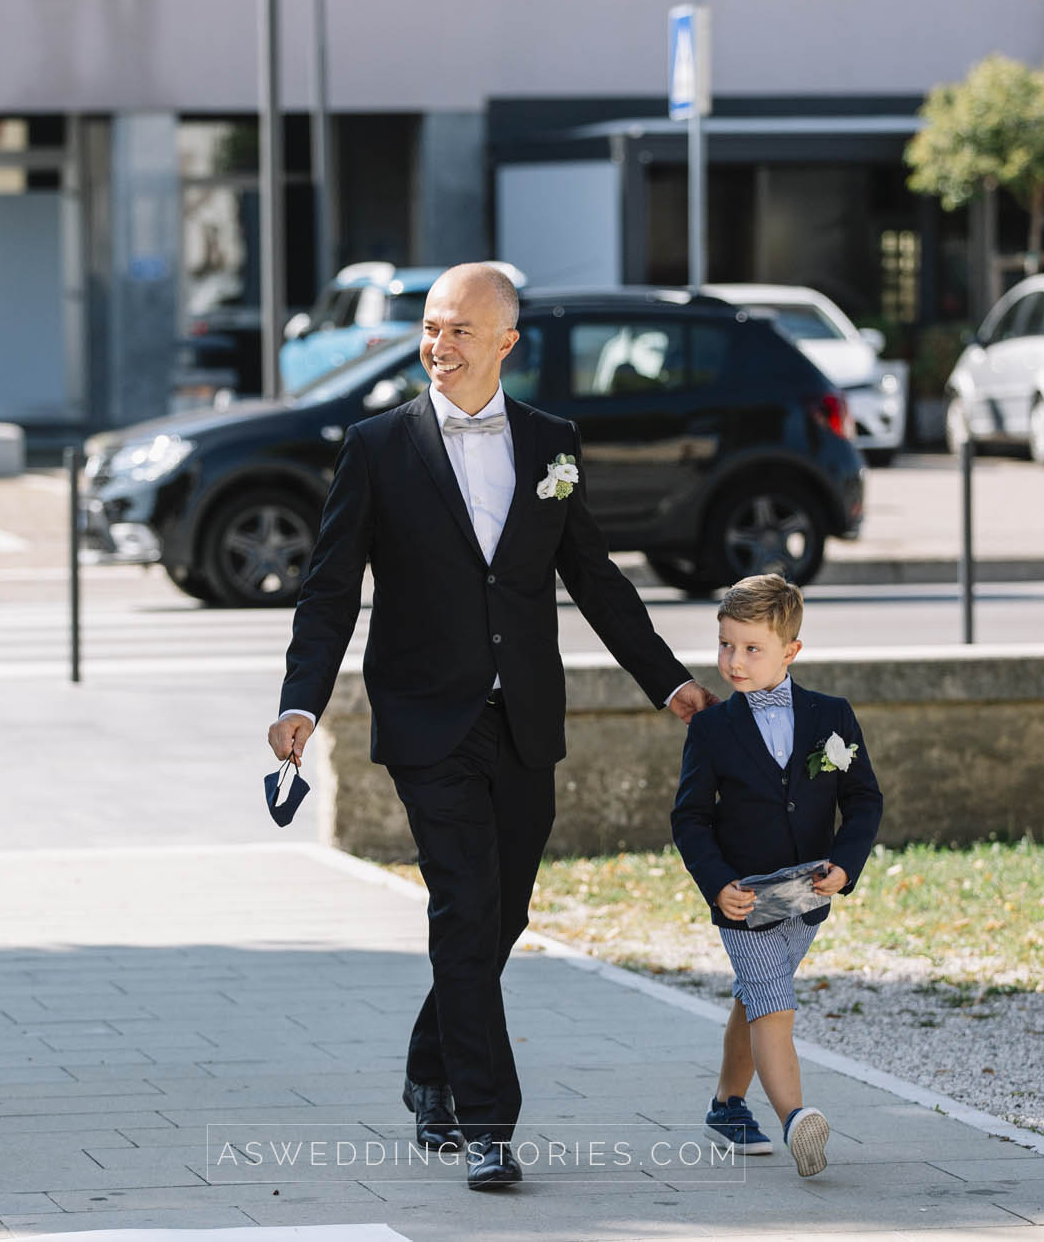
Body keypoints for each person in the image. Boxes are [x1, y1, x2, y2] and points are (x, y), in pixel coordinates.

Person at [267, 262, 716, 1190]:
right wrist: (301, 699)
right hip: (428, 718)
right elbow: (329, 587)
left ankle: (430, 1064)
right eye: (430, 328)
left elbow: (594, 575)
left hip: (524, 718)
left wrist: (666, 680)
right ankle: (487, 1123)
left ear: (505, 341)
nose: (438, 344)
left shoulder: (552, 442)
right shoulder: (378, 444)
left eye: (459, 329)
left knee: (501, 914)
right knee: (464, 904)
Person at [670, 574, 883, 1177]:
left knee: (756, 995)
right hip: (743, 898)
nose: (733, 662)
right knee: (772, 998)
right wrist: (718, 886)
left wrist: (846, 864)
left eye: (751, 648)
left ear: (791, 651)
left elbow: (864, 799)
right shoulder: (711, 729)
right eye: (724, 645)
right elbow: (689, 819)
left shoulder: (832, 716)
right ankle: (796, 1119)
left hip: (809, 893)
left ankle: (726, 1105)